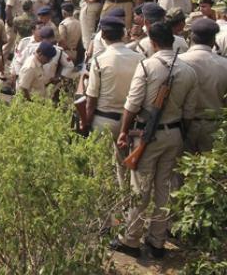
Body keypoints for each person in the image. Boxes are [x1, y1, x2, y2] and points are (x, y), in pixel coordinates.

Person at [112, 21, 198, 259]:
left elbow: (133, 103)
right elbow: (189, 113)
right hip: (175, 134)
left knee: (140, 189)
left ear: (152, 41)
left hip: (148, 136)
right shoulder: (189, 70)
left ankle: (130, 239)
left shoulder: (148, 66)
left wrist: (123, 131)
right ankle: (157, 241)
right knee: (164, 188)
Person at [82, 16, 142, 189]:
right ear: (124, 34)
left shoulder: (100, 60)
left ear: (103, 36)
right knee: (125, 168)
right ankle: (124, 204)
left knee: (99, 169)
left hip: (103, 120)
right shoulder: (138, 58)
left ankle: (105, 206)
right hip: (130, 121)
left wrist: (86, 122)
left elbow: (91, 97)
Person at [178, 19, 227, 152]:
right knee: (211, 168)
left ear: (192, 38)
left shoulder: (178, 62)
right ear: (213, 41)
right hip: (214, 127)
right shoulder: (224, 64)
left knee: (182, 168)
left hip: (183, 125)